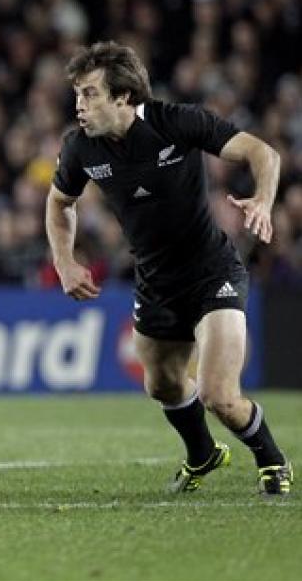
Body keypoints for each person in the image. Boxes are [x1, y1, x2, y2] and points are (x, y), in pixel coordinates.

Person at [46, 41, 293, 496]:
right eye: (77, 95)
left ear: (123, 97)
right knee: (161, 386)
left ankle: (271, 459)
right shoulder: (80, 147)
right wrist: (64, 260)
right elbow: (60, 203)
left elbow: (264, 154)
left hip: (212, 272)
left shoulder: (178, 122)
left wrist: (262, 199)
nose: (79, 105)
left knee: (220, 395)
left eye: (90, 94)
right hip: (156, 282)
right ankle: (202, 454)